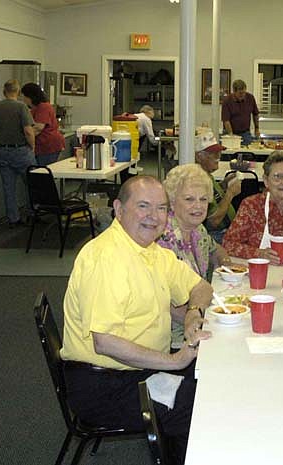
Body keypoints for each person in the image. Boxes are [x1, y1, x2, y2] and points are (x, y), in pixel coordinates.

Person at [61, 175, 213, 463]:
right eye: (143, 206)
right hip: (105, 385)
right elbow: (105, 343)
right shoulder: (106, 258)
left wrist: (194, 312)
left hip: (136, 368)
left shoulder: (151, 250)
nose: (153, 217)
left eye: (161, 208)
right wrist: (173, 361)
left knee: (212, 383)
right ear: (119, 209)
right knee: (204, 405)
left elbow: (201, 287)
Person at [158, 164, 233, 348]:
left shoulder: (197, 228)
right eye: (189, 199)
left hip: (199, 315)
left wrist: (226, 267)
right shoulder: (163, 237)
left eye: (203, 199)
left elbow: (215, 249)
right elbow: (164, 303)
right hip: (174, 337)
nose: (198, 206)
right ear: (173, 201)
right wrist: (204, 318)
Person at [0, 79, 36, 227]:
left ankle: (13, 218)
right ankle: (33, 213)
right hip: (20, 150)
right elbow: (28, 130)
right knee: (32, 183)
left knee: (8, 187)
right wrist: (32, 146)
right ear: (18, 91)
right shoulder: (21, 107)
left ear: (4, 91)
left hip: (2, 150)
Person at [193, 131, 242, 244]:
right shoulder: (198, 180)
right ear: (199, 156)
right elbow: (213, 222)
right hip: (217, 235)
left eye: (219, 152)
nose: (218, 156)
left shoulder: (206, 174)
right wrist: (230, 194)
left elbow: (213, 194)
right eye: (213, 153)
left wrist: (223, 185)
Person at [21, 82, 65, 166]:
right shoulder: (35, 109)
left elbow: (38, 128)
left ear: (29, 96)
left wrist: (23, 135)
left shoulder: (43, 107)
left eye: (24, 96)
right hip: (42, 146)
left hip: (48, 146)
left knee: (43, 172)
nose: (23, 99)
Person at [221, 79, 260, 146]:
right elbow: (226, 121)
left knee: (248, 153)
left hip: (245, 132)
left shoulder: (250, 98)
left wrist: (257, 128)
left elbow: (255, 114)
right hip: (229, 132)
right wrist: (231, 136)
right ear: (234, 92)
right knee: (230, 152)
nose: (242, 95)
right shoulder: (227, 101)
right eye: (240, 93)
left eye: (244, 92)